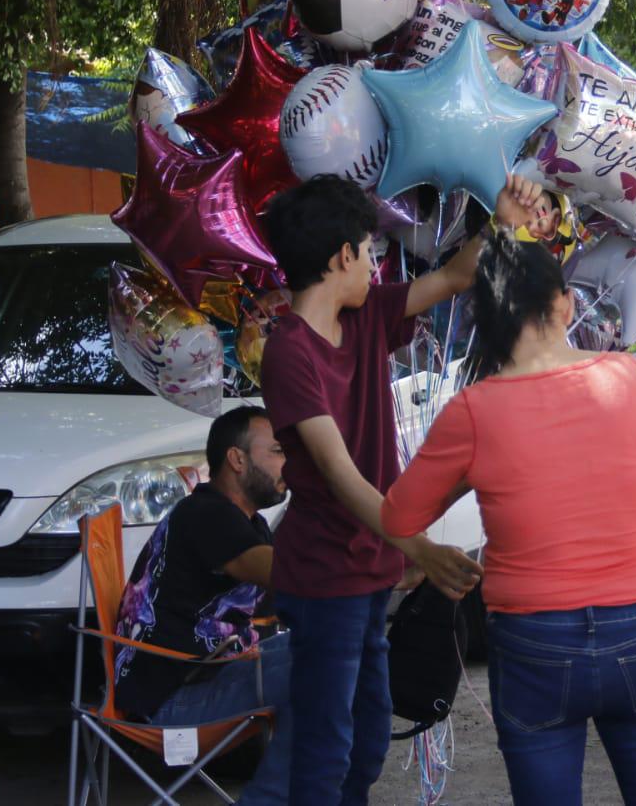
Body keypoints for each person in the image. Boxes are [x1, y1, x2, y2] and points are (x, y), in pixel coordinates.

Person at [381, 232, 636, 806]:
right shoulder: (628, 377)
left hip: (534, 640)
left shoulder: (474, 410)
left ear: (485, 315)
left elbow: (399, 514)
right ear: (566, 305)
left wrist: (462, 499)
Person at [258, 172, 541, 806]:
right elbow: (340, 476)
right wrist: (420, 549)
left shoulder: (364, 318)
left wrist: (502, 222)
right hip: (323, 575)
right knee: (325, 746)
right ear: (343, 257)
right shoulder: (289, 351)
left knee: (365, 742)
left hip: (370, 569)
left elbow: (457, 275)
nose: (376, 264)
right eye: (370, 249)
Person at [114, 406, 291, 805]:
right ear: (237, 458)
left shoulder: (247, 522)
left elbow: (289, 598)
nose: (289, 463)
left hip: (209, 672)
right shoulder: (207, 515)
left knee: (330, 648)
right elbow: (287, 574)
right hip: (170, 702)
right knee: (320, 667)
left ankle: (292, 790)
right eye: (278, 451)